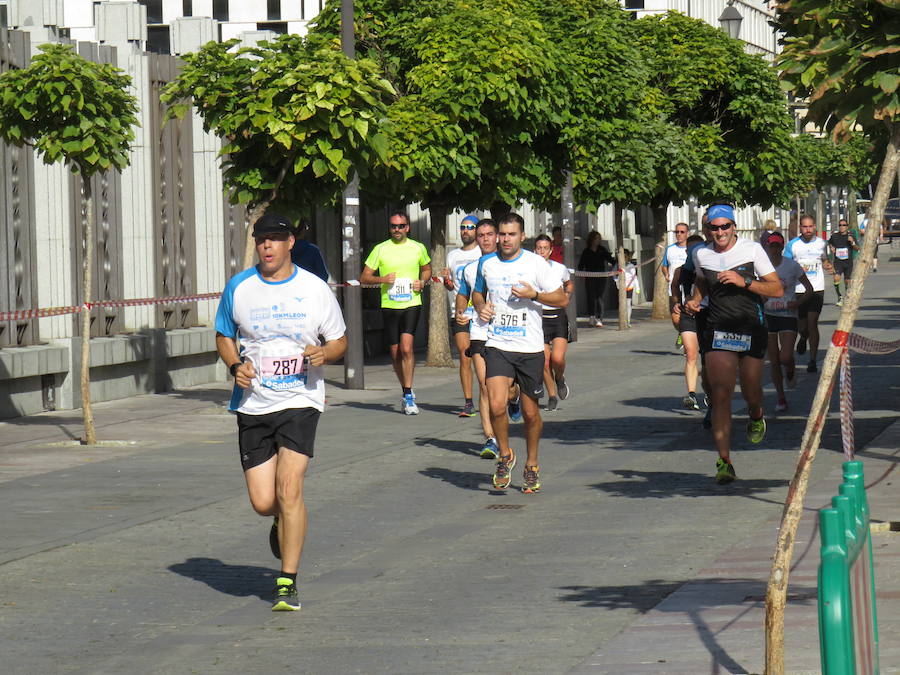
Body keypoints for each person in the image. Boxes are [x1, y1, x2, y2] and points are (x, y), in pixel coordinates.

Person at [214, 212, 348, 611]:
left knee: (290, 489)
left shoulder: (313, 288)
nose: (267, 246)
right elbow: (223, 335)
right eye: (261, 239)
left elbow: (338, 340)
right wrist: (236, 365)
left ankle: (287, 581)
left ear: (291, 243)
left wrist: (325, 353)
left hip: (300, 400)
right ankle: (280, 520)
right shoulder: (239, 287)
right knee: (262, 501)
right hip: (254, 403)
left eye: (275, 239)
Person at [685, 204, 783, 484]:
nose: (720, 232)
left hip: (751, 326)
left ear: (734, 227)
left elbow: (776, 288)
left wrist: (745, 281)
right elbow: (702, 284)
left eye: (725, 226)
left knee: (752, 389)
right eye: (714, 227)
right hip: (718, 329)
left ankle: (756, 414)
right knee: (720, 393)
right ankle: (724, 461)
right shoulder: (700, 253)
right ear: (708, 229)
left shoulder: (752, 250)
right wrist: (694, 301)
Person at [471, 213, 567, 493]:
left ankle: (532, 463)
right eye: (502, 234)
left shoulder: (535, 264)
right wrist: (480, 307)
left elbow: (561, 298)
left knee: (530, 413)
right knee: (497, 404)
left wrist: (533, 295)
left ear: (521, 236)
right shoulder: (486, 263)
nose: (505, 239)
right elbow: (478, 293)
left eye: (511, 234)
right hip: (498, 344)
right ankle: (505, 455)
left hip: (530, 348)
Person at [360, 211, 432, 414]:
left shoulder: (418, 247)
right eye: (394, 226)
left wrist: (423, 281)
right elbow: (365, 277)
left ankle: (408, 394)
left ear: (407, 227)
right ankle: (405, 389)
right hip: (390, 305)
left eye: (401, 226)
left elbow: (427, 269)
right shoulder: (380, 249)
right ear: (389, 228)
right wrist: (383, 280)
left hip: (411, 303)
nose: (397, 230)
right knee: (395, 352)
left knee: (407, 348)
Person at [456, 219, 501, 458]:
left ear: (497, 237)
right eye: (481, 234)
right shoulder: (471, 268)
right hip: (480, 332)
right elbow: (463, 295)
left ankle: (511, 401)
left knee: (507, 391)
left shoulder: (507, 265)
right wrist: (459, 313)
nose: (484, 238)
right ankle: (490, 439)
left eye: (489, 234)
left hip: (506, 333)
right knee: (484, 386)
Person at [763, 231, 813, 413]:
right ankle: (781, 397)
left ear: (782, 247)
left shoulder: (791, 266)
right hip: (769, 315)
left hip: (787, 315)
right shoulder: (762, 266)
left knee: (785, 357)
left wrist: (797, 303)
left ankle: (790, 368)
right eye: (772, 246)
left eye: (778, 246)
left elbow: (809, 288)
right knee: (774, 360)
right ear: (767, 247)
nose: (775, 249)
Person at [442, 215, 484, 417]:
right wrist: (447, 283)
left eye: (470, 227)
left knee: (482, 358)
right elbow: (451, 284)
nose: (466, 231)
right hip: (459, 311)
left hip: (482, 313)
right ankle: (468, 402)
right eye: (462, 227)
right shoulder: (452, 256)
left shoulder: (482, 252)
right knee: (465, 354)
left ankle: (493, 394)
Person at [784, 214, 832, 373]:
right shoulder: (792, 245)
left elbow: (824, 259)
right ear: (800, 228)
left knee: (813, 322)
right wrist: (796, 270)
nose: (808, 229)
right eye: (805, 227)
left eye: (810, 226)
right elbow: (786, 265)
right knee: (802, 326)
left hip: (816, 288)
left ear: (815, 227)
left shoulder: (821, 243)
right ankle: (803, 337)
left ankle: (812, 359)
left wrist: (828, 266)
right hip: (798, 290)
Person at [534, 234, 574, 410]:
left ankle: (560, 378)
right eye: (539, 248)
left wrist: (566, 296)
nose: (542, 251)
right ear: (534, 250)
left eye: (545, 248)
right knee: (544, 361)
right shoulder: (529, 269)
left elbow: (569, 284)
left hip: (557, 316)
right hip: (539, 317)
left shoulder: (559, 268)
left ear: (551, 250)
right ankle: (551, 395)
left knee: (557, 358)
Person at [671, 234, 706, 411]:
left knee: (707, 357)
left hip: (707, 314)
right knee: (691, 354)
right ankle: (691, 393)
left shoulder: (709, 267)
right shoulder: (681, 270)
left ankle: (709, 391)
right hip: (688, 314)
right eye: (692, 250)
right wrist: (676, 302)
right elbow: (674, 287)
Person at [577, 231, 615, 327]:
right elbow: (581, 264)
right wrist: (581, 274)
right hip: (590, 276)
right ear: (591, 240)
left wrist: (617, 265)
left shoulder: (602, 250)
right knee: (590, 297)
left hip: (601, 277)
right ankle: (591, 316)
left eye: (599, 238)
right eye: (596, 238)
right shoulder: (586, 251)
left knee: (599, 297)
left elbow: (611, 260)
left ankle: (599, 318)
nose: (598, 240)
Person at [662, 223, 690, 346]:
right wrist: (666, 274)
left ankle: (688, 340)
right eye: (677, 232)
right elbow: (664, 266)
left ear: (687, 233)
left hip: (689, 289)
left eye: (682, 232)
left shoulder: (691, 248)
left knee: (689, 317)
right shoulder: (670, 249)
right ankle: (682, 332)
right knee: (675, 318)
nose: (679, 234)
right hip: (673, 289)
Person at [827, 219, 858, 306]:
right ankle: (839, 297)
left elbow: (857, 248)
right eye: (840, 225)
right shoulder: (835, 236)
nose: (842, 227)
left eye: (844, 225)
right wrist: (831, 247)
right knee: (836, 278)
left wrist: (852, 242)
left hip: (848, 262)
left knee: (847, 281)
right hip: (838, 262)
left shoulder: (851, 236)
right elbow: (829, 242)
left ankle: (847, 296)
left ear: (847, 227)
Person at [613, 250, 640, 327]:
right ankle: (622, 319)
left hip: (629, 287)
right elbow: (614, 274)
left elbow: (634, 277)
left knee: (628, 304)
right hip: (621, 287)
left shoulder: (631, 266)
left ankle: (628, 320)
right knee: (621, 303)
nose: (624, 258)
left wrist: (637, 287)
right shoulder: (617, 266)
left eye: (625, 257)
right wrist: (617, 282)